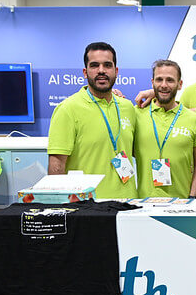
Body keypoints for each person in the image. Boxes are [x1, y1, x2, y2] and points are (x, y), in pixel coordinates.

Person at [48, 42, 137, 198]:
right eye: (94, 65)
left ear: (116, 71)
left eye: (107, 65)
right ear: (85, 72)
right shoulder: (68, 109)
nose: (101, 71)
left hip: (128, 202)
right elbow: (57, 165)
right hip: (89, 207)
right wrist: (59, 206)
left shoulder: (127, 107)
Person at [133, 60, 196, 199]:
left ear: (180, 84)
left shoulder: (193, 119)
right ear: (152, 82)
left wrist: (192, 197)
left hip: (181, 202)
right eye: (159, 79)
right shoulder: (137, 114)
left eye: (170, 80)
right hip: (142, 202)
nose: (164, 85)